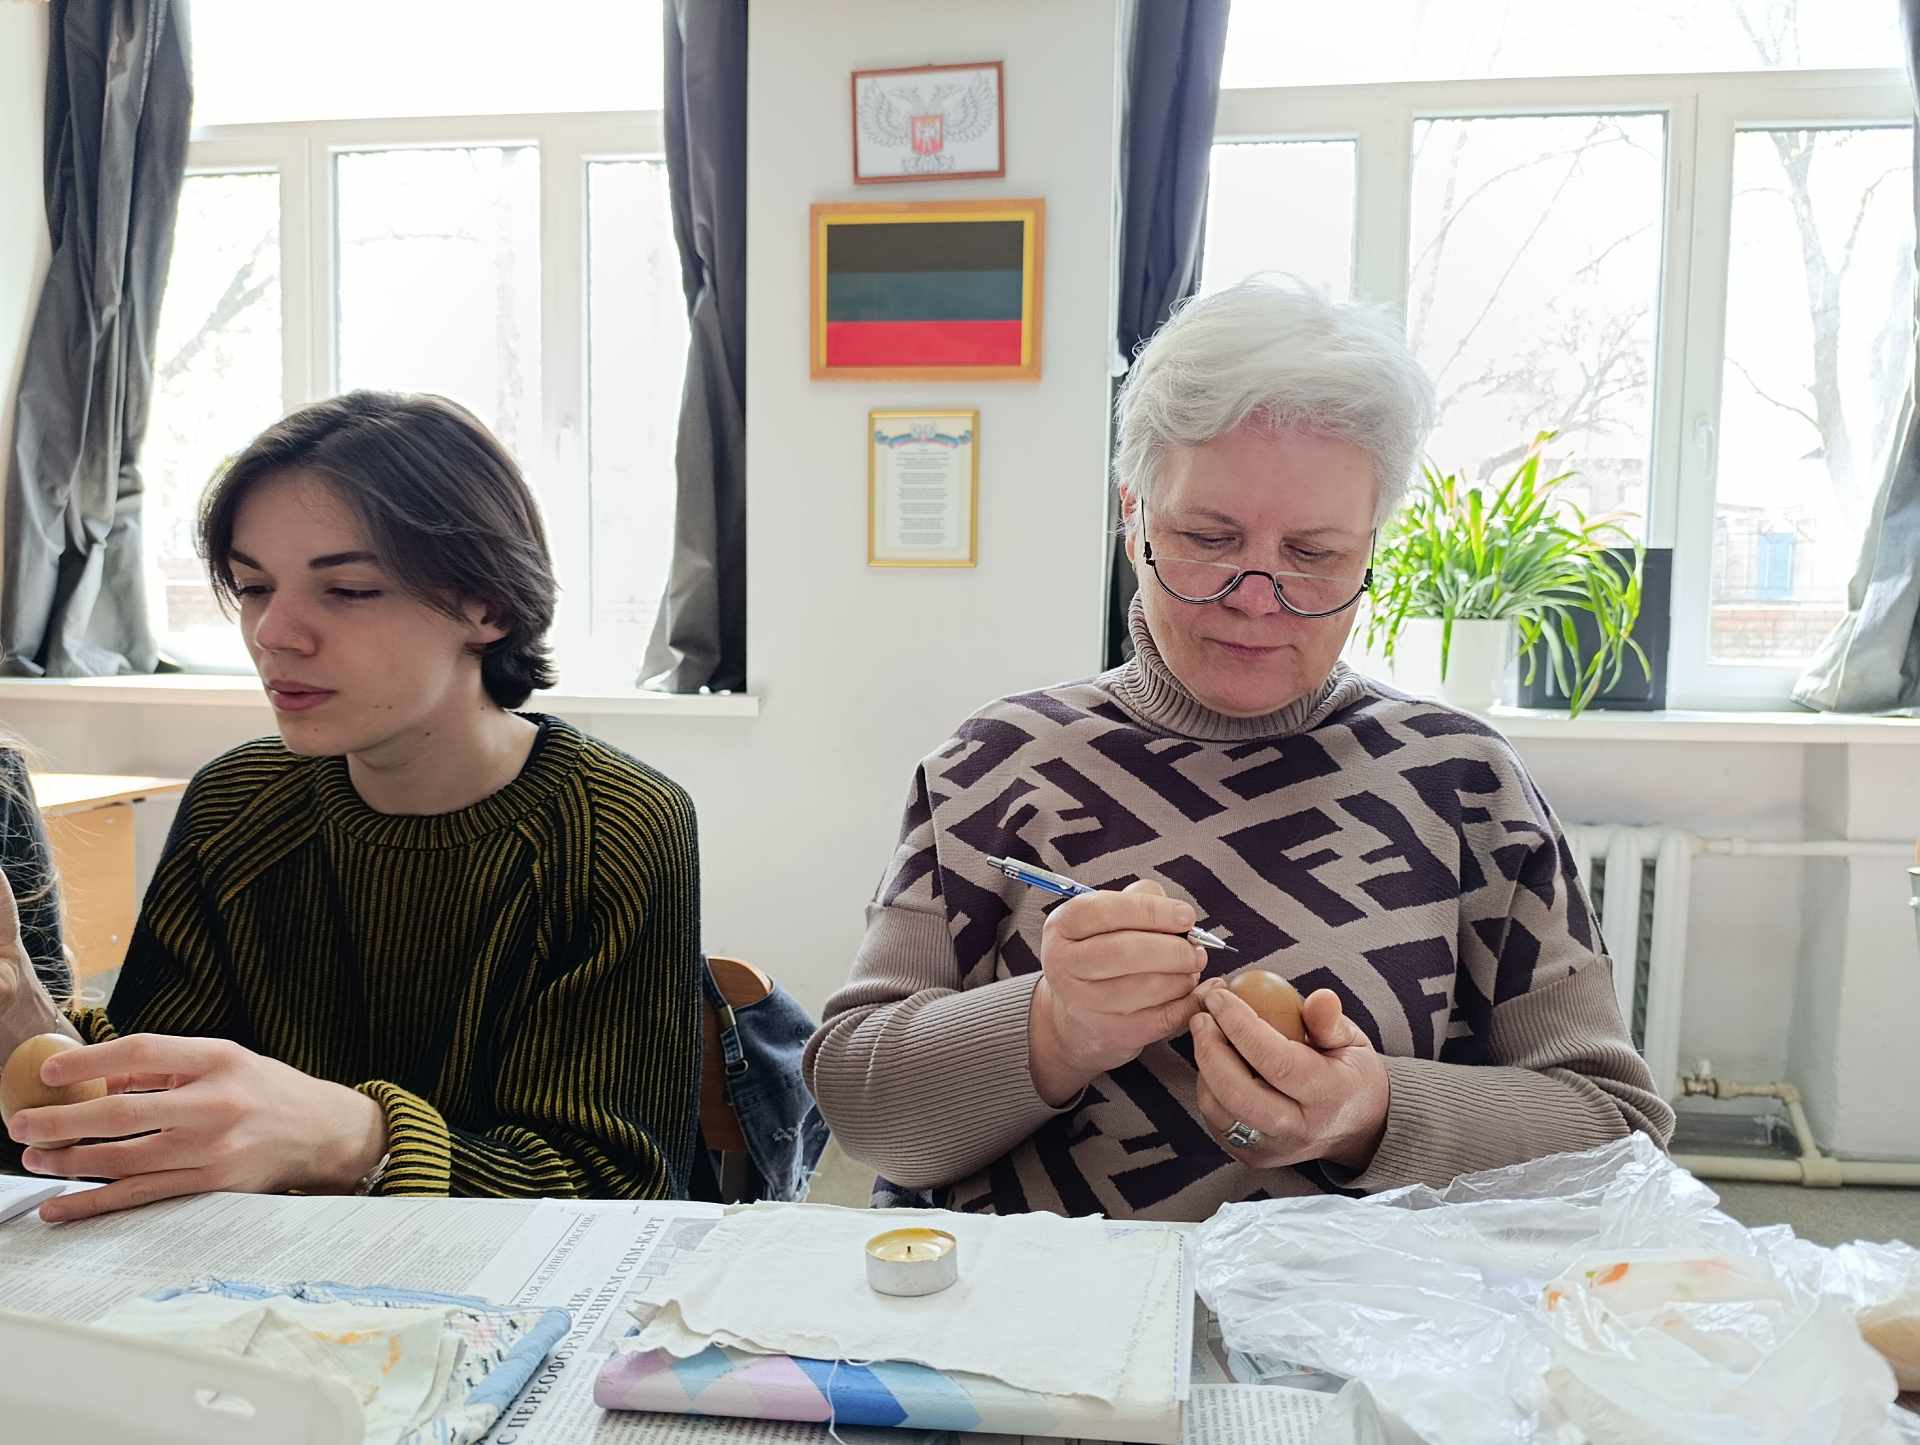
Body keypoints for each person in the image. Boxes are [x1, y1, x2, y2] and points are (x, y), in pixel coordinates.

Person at [805, 278, 1674, 1221]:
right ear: (1133, 516)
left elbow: (1618, 1137)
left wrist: (1372, 1113)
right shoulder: (991, 766)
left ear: (1372, 545)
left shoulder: (1465, 784)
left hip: (1356, 1314)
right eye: (1209, 537)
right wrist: (1049, 1029)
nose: (1257, 598)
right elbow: (861, 1110)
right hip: (1034, 1312)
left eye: (1313, 554)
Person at [1, 392, 703, 1220]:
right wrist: (24, 1012)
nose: (274, 633)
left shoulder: (618, 823)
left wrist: (353, 1136)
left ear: (488, 605)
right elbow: (156, 1104)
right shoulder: (236, 803)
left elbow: (616, 1189)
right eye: (254, 586)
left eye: (348, 590)